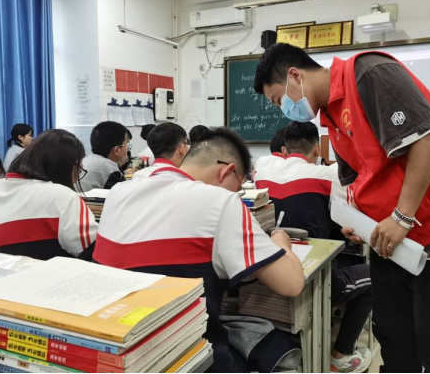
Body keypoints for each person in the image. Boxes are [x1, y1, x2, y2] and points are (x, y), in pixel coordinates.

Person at [255, 43, 430, 373]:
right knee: (395, 341)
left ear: (295, 76)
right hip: (393, 242)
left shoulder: (368, 73)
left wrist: (402, 216)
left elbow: (426, 137)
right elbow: (361, 178)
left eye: (278, 100)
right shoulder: (331, 116)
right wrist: (358, 219)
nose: (284, 110)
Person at [93, 128, 304, 373]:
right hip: (188, 354)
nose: (236, 195)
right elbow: (292, 284)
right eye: (237, 188)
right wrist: (281, 242)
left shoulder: (119, 192)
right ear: (227, 171)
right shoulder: (219, 201)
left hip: (113, 349)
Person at [254, 121, 373, 373]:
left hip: (268, 276)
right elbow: (350, 222)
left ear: (284, 149)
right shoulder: (329, 175)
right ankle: (340, 356)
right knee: (374, 277)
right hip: (312, 277)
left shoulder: (262, 169)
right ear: (317, 149)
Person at [0, 130, 97, 260]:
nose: (77, 176)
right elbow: (94, 251)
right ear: (65, 166)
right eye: (79, 168)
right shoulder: (63, 197)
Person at [81, 122, 130, 192]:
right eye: (127, 145)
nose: (127, 149)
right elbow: (124, 193)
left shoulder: (86, 159)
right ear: (116, 150)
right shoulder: (109, 168)